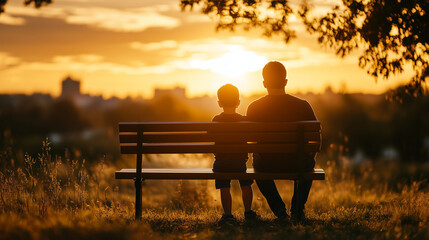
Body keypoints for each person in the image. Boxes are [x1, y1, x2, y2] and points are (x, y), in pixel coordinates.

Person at [246, 61, 318, 222]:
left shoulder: (254, 107)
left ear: (264, 83)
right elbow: (315, 140)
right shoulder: (303, 106)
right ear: (285, 82)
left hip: (267, 164)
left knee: (256, 164)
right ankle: (297, 209)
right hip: (297, 163)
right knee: (309, 162)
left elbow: (248, 140)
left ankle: (280, 211)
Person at [212, 84, 258, 222]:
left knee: (224, 187)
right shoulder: (243, 120)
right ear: (238, 102)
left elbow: (212, 138)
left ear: (219, 103)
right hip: (239, 163)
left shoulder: (216, 120)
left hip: (221, 163)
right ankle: (248, 212)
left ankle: (227, 215)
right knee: (245, 185)